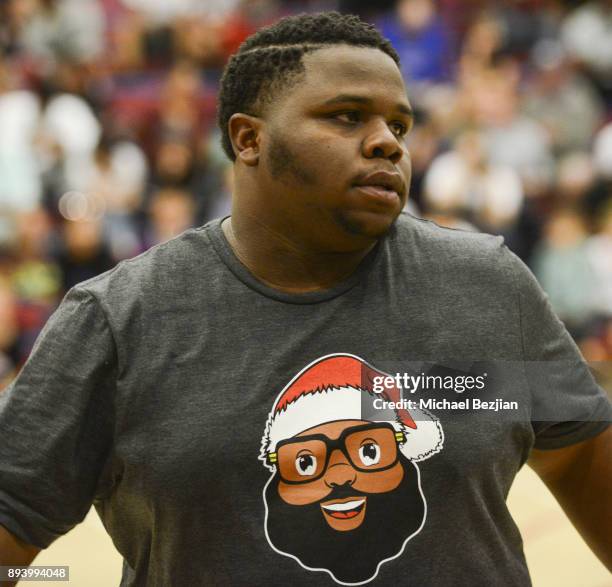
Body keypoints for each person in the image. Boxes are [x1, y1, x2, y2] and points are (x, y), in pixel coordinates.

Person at [0, 12, 610, 586]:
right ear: (248, 139)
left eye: (399, 125)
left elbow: (580, 457)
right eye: (347, 116)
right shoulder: (118, 320)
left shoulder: (488, 287)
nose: (388, 143)